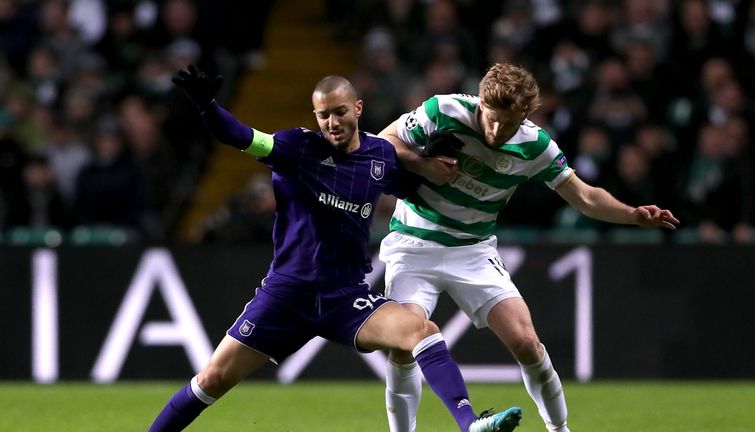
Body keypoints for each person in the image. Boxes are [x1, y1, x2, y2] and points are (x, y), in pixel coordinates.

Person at [146, 65, 523, 432]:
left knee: (421, 331)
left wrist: (429, 157)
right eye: (324, 115)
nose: (332, 123)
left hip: (345, 298)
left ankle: (470, 423)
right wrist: (208, 107)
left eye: (340, 112)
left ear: (357, 109)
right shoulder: (295, 147)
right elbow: (240, 135)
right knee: (211, 379)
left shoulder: (380, 157)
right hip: (287, 297)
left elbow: (417, 186)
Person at [377, 63, 680, 432]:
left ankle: (558, 429)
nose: (497, 130)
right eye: (492, 119)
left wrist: (633, 214)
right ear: (481, 101)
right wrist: (422, 163)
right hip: (414, 244)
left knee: (526, 343)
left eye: (509, 123)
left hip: (473, 250)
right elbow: (381, 143)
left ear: (525, 116)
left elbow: (584, 196)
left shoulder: (535, 145)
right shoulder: (443, 110)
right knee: (403, 344)